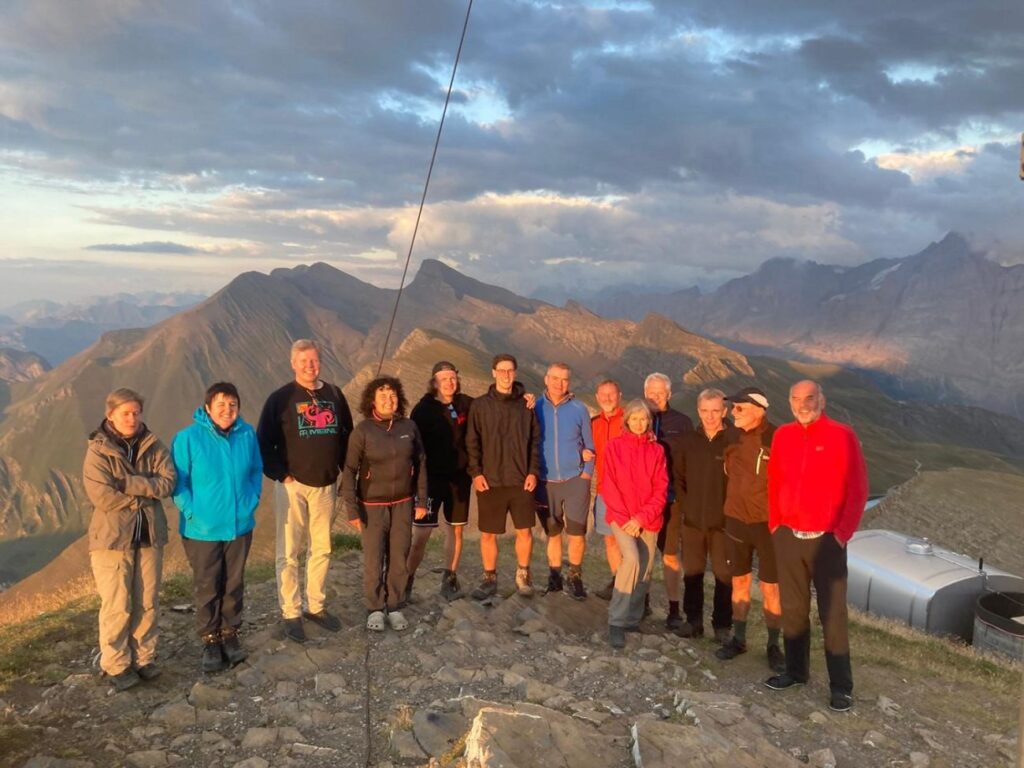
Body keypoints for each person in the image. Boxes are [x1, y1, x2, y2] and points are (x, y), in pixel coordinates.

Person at [765, 379, 868, 713]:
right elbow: (774, 480)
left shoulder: (842, 435)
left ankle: (841, 687)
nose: (803, 404)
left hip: (827, 540)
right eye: (796, 398)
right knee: (793, 608)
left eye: (809, 397)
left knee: (832, 613)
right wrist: (776, 523)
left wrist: (841, 534)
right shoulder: (783, 435)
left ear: (822, 400)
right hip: (788, 536)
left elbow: (858, 490)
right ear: (789, 402)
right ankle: (796, 672)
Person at [257, 339, 353, 643]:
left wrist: (346, 474)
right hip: (292, 486)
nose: (310, 366)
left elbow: (347, 437)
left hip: (326, 483)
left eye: (314, 360)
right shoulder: (280, 399)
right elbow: (264, 442)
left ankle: (316, 606)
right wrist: (281, 475)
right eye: (304, 362)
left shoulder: (334, 394)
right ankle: (291, 611)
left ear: (320, 361)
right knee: (289, 551)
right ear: (293, 364)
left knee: (321, 548)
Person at [83, 388, 175, 691]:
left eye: (136, 412)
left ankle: (143, 658)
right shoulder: (98, 451)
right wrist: (145, 491)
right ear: (110, 415)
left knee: (147, 601)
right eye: (125, 413)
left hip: (149, 536)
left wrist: (128, 484)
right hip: (112, 540)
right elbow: (103, 496)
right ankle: (116, 664)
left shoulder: (153, 445)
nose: (132, 418)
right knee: (117, 604)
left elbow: (168, 483)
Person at [172, 382, 263, 673]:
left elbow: (255, 471)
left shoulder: (247, 434)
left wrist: (251, 501)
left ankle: (230, 632)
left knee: (234, 582)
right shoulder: (188, 438)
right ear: (207, 408)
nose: (227, 410)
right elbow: (178, 483)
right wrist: (192, 513)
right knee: (208, 584)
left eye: (232, 404)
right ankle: (210, 638)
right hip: (201, 530)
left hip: (239, 525)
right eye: (221, 404)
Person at [341, 376, 428, 631]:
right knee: (374, 558)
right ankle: (375, 609)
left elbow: (421, 464)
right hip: (371, 506)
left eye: (392, 395)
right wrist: (352, 509)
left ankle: (395, 605)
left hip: (404, 503)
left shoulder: (409, 427)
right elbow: (349, 470)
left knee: (399, 557)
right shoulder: (362, 431)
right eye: (382, 396)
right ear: (372, 401)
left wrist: (422, 501)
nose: (388, 400)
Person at [715, 387, 785, 673]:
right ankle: (740, 639)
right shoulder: (731, 436)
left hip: (768, 524)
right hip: (735, 519)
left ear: (759, 410)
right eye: (733, 408)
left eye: (739, 408)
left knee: (770, 586)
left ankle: (773, 645)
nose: (733, 413)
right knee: (740, 581)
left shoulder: (777, 438)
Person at [465, 353, 540, 600]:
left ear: (515, 373)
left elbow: (535, 442)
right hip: (490, 481)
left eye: (510, 370)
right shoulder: (480, 406)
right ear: (493, 373)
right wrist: (476, 473)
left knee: (524, 531)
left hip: (521, 480)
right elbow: (472, 442)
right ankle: (489, 578)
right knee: (488, 533)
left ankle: (523, 574)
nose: (506, 375)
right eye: (502, 370)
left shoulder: (526, 406)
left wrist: (533, 472)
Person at [671, 388, 737, 641]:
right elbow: (678, 477)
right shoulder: (687, 441)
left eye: (715, 411)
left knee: (723, 575)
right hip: (693, 521)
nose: (710, 416)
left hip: (724, 523)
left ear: (724, 411)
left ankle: (722, 626)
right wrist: (687, 505)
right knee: (693, 573)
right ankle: (693, 621)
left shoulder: (735, 440)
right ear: (698, 411)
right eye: (705, 411)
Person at [602, 400, 668, 648]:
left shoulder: (657, 451)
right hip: (621, 517)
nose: (639, 423)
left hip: (647, 519)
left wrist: (640, 518)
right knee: (631, 560)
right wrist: (626, 519)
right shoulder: (614, 447)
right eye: (635, 418)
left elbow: (661, 490)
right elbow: (609, 485)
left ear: (649, 421)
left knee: (645, 570)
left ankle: (632, 619)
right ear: (627, 420)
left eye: (644, 419)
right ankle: (616, 622)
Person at [407, 361, 474, 602]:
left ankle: (450, 578)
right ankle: (406, 580)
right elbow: (412, 444)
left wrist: (524, 397)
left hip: (459, 479)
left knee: (456, 530)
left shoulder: (466, 404)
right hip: (430, 480)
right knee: (421, 534)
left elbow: (493, 406)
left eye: (453, 378)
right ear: (434, 382)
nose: (449, 383)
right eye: (444, 379)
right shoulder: (422, 410)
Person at [535, 362, 595, 599]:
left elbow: (590, 444)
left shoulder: (579, 409)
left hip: (575, 480)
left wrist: (586, 474)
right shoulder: (535, 407)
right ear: (546, 379)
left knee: (577, 532)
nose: (560, 384)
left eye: (565, 379)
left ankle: (575, 576)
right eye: (555, 378)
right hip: (545, 481)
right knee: (553, 532)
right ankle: (554, 576)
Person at [644, 372, 694, 630]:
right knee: (644, 554)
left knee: (670, 555)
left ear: (669, 394)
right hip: (643, 500)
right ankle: (642, 602)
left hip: (671, 498)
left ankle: (674, 610)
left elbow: (691, 461)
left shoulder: (683, 423)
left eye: (660, 393)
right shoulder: (637, 418)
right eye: (651, 393)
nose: (655, 397)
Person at [590, 379, 625, 601]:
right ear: (597, 397)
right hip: (604, 491)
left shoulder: (629, 420)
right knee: (610, 540)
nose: (607, 398)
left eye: (611, 394)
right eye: (603, 395)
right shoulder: (594, 423)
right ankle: (618, 583)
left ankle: (638, 593)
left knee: (630, 543)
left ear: (619, 396)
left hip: (628, 494)